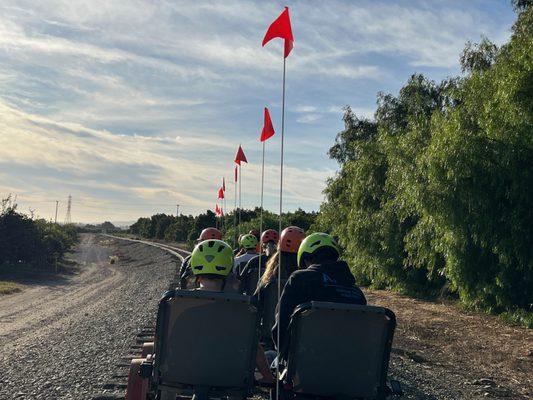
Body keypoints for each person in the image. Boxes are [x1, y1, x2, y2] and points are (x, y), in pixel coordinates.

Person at [189, 239, 274, 384]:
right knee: (271, 355)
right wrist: (268, 377)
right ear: (229, 269)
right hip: (230, 376)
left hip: (186, 372)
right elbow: (255, 348)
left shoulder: (179, 303)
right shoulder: (241, 308)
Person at [272, 232, 367, 361]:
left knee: (269, 357)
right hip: (348, 366)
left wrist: (286, 358)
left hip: (303, 365)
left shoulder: (299, 279)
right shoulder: (357, 293)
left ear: (305, 259)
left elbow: (280, 328)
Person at [254, 226, 305, 347]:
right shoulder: (306, 280)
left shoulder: (268, 278)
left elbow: (254, 304)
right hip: (298, 340)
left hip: (269, 338)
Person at [239, 229, 279, 295]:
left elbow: (241, 281)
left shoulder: (254, 261)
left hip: (253, 299)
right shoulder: (283, 263)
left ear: (262, 245)